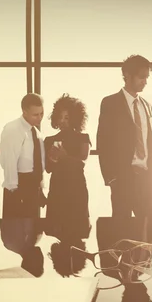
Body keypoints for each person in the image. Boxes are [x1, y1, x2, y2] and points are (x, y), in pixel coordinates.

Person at [96, 55, 152, 219]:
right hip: (122, 179)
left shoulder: (147, 106)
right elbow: (103, 142)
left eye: (147, 77)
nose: (145, 81)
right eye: (141, 77)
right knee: (122, 231)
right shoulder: (110, 103)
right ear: (127, 75)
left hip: (146, 178)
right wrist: (111, 178)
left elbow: (149, 142)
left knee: (150, 229)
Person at [44, 94, 91, 229]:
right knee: (56, 230)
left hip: (77, 190)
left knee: (78, 230)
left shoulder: (83, 138)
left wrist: (64, 157)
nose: (62, 121)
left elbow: (82, 162)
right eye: (60, 117)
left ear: (75, 118)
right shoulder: (49, 140)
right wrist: (52, 158)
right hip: (57, 190)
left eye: (67, 118)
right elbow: (48, 169)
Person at [0, 93, 46, 218]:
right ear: (24, 112)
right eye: (35, 114)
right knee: (15, 230)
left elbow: (38, 161)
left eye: (41, 113)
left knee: (32, 230)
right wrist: (13, 190)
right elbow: (9, 160)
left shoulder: (36, 132)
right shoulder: (13, 129)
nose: (40, 118)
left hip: (33, 185)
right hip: (18, 185)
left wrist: (40, 187)